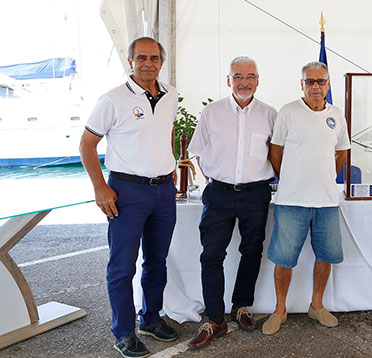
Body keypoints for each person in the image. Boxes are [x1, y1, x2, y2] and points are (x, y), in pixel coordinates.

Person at [79, 37, 179, 358]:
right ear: (130, 60)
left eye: (154, 57)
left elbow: (161, 136)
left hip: (163, 191)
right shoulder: (113, 99)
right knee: (122, 267)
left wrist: (170, 168)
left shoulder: (171, 95)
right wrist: (99, 187)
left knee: (157, 261)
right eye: (141, 57)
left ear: (161, 61)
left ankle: (151, 318)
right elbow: (86, 145)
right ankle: (123, 332)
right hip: (126, 192)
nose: (148, 63)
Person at [185, 56, 278, 349]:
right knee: (211, 255)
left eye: (250, 76)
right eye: (238, 76)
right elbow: (197, 152)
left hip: (256, 194)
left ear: (258, 80)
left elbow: (276, 155)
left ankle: (241, 307)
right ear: (229, 80)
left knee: (251, 251)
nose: (244, 82)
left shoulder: (270, 115)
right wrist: (216, 180)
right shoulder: (211, 113)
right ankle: (215, 319)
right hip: (219, 194)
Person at [262, 61, 350, 335]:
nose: (315, 86)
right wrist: (290, 177)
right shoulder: (288, 112)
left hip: (326, 202)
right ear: (301, 84)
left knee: (326, 256)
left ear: (328, 84)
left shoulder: (337, 115)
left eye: (320, 81)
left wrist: (322, 177)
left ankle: (317, 305)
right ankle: (279, 310)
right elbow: (275, 152)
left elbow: (341, 153)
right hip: (291, 201)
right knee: (284, 258)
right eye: (309, 81)